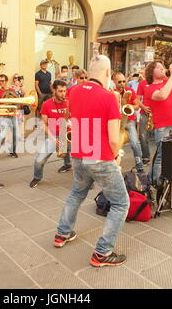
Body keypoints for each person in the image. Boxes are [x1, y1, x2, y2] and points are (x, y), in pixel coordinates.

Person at [54, 55, 129, 267]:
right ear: (107, 73)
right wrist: (115, 157)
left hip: (78, 153)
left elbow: (70, 119)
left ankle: (62, 234)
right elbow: (115, 138)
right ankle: (102, 253)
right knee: (121, 203)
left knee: (76, 193)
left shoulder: (73, 91)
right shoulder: (108, 97)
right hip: (100, 157)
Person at [29, 80, 72, 188]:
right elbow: (43, 124)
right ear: (54, 90)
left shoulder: (68, 102)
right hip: (54, 136)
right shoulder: (47, 104)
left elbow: (74, 118)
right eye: (60, 91)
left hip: (67, 135)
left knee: (83, 158)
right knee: (39, 160)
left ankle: (70, 167)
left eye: (64, 91)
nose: (63, 94)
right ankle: (37, 177)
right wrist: (53, 138)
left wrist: (70, 119)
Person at [113, 72, 143, 171]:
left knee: (135, 142)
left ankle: (140, 166)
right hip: (116, 122)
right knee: (115, 144)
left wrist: (129, 107)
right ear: (114, 82)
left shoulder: (130, 91)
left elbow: (137, 105)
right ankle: (114, 165)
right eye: (119, 82)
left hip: (129, 121)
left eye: (124, 81)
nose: (122, 84)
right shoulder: (112, 92)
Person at [0, 74, 19, 158]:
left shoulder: (12, 90)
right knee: (2, 135)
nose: (1, 82)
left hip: (12, 114)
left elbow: (17, 101)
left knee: (15, 134)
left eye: (2, 81)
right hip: (3, 115)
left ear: (6, 81)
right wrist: (5, 103)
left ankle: (12, 151)